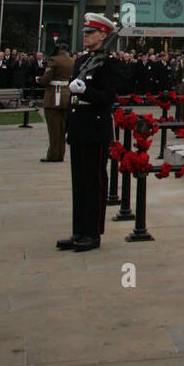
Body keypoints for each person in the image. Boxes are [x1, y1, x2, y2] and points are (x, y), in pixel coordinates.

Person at [56, 14, 122, 252]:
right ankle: (79, 231)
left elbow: (107, 98)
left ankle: (92, 233)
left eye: (90, 32)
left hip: (95, 127)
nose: (85, 36)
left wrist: (86, 91)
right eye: (84, 32)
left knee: (94, 182)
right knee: (79, 182)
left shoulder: (110, 63)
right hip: (79, 126)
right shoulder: (82, 61)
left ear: (103, 35)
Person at [38, 40, 74, 162]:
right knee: (62, 129)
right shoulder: (71, 60)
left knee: (53, 129)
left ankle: (53, 154)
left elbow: (46, 79)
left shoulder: (54, 60)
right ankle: (60, 153)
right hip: (66, 95)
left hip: (54, 96)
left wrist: (39, 80)